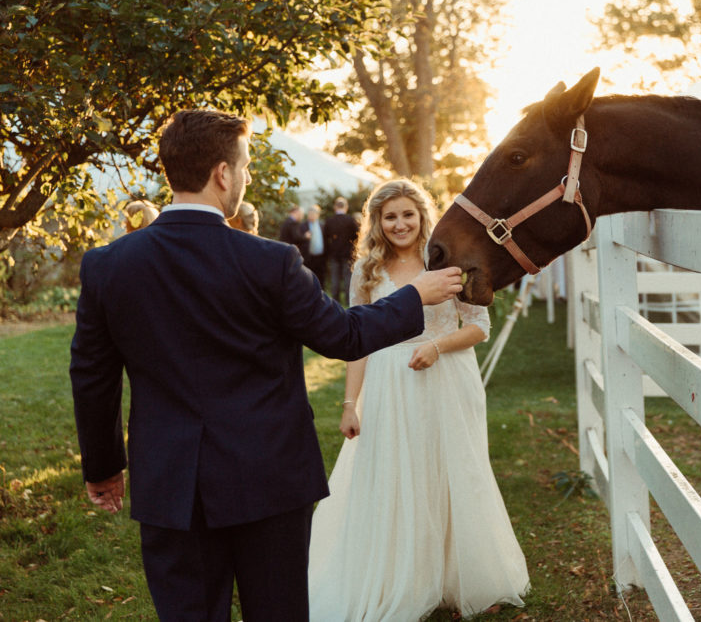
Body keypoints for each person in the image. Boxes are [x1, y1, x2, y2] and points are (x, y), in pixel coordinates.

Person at [69, 110, 465, 622]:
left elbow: (92, 375)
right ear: (222, 174)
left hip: (169, 482)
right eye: (246, 166)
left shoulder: (108, 265)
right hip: (270, 476)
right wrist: (414, 297)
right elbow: (343, 336)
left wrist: (103, 468)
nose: (247, 176)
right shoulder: (271, 262)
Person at [308, 179, 529, 621]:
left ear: (422, 215)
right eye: (390, 216)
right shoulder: (367, 270)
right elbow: (358, 343)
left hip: (446, 378)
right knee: (397, 474)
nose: (400, 223)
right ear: (377, 222)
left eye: (408, 214)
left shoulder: (446, 262)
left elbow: (478, 327)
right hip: (390, 386)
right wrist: (351, 404)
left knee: (453, 471)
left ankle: (467, 576)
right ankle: (403, 575)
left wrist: (437, 346)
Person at [323, 195, 359, 305]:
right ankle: (349, 302)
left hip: (334, 254)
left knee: (335, 280)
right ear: (346, 207)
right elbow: (358, 236)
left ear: (335, 207)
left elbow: (325, 238)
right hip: (348, 254)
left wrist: (328, 252)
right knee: (348, 279)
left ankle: (335, 303)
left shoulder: (329, 221)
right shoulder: (350, 220)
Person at [303, 203, 327, 285]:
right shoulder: (303, 226)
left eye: (314, 213)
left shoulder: (322, 225)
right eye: (311, 213)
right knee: (309, 279)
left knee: (321, 279)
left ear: (318, 215)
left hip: (321, 257)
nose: (312, 215)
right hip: (308, 258)